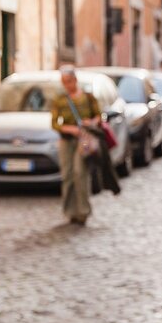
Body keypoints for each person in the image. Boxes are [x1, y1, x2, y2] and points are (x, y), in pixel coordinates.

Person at [51, 66, 101, 225]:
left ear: (75, 80)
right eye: (64, 82)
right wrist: (68, 128)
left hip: (83, 140)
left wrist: (90, 122)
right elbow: (54, 123)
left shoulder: (88, 97)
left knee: (80, 173)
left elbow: (99, 117)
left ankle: (83, 211)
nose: (67, 85)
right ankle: (70, 212)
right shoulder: (59, 99)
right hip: (66, 140)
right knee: (67, 175)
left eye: (69, 81)